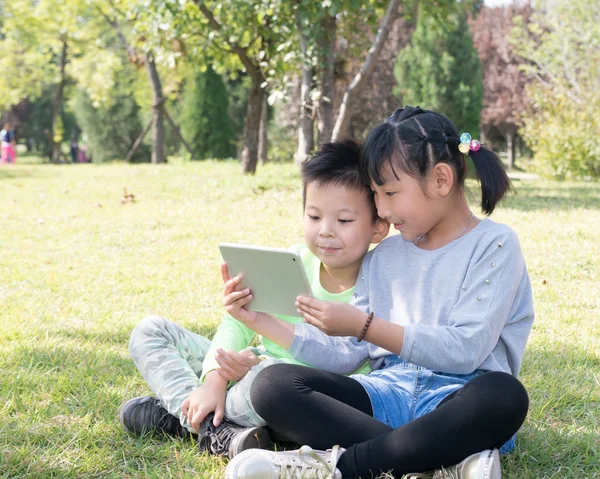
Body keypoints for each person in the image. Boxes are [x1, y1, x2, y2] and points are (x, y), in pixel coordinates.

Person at [224, 107, 534, 479]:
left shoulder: (495, 245)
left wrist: (366, 326)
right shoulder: (384, 255)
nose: (382, 210)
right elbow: (346, 355)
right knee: (272, 385)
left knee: (504, 396)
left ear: (441, 180)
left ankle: (342, 467)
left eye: (389, 192)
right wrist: (261, 321)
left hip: (460, 399)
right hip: (387, 393)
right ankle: (438, 462)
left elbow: (466, 350)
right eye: (375, 194)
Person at [119, 140, 389, 460]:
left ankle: (188, 419)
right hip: (247, 374)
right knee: (150, 330)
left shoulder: (378, 282)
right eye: (314, 216)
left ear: (378, 227)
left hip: (292, 395)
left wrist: (254, 365)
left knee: (265, 380)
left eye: (344, 221)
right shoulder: (292, 261)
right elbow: (238, 323)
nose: (326, 231)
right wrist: (215, 377)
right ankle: (211, 426)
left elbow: (338, 359)